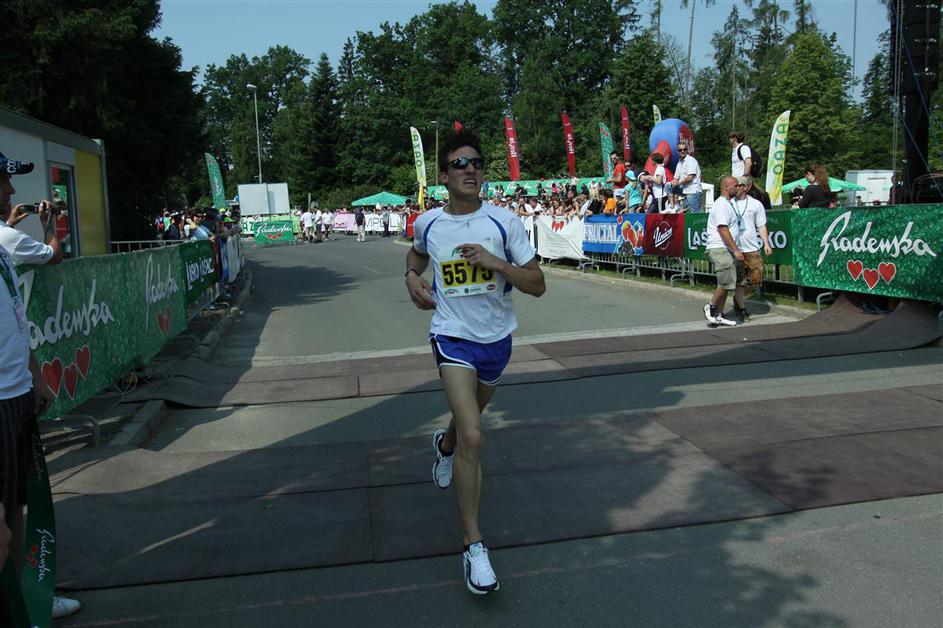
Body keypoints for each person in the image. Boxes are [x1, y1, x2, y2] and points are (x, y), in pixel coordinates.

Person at [404, 130, 545, 595]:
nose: (470, 170)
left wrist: (496, 264)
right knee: (475, 435)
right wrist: (410, 278)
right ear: (444, 176)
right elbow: (415, 256)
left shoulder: (504, 222)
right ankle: (474, 546)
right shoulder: (429, 223)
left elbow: (537, 284)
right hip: (452, 337)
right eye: (460, 164)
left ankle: (443, 446)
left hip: (496, 340)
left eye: (477, 163)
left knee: (466, 427)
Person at [0, 152, 81, 620]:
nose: (11, 192)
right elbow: (54, 254)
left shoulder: (2, 242)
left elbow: (14, 316)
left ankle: (26, 603)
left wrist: (34, 376)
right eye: (2, 182)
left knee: (15, 510)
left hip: (16, 394)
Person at [731, 176, 773, 322]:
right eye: (735, 185)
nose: (736, 187)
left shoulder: (756, 204)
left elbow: (761, 225)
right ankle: (742, 309)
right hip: (736, 247)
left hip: (752, 247)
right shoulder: (729, 203)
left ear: (746, 187)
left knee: (757, 277)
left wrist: (766, 243)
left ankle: (738, 297)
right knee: (739, 281)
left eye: (738, 185)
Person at [702, 176, 742, 327]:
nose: (738, 188)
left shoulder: (728, 204)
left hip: (725, 248)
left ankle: (719, 314)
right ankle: (710, 305)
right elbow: (722, 228)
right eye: (735, 185)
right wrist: (735, 249)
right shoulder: (721, 205)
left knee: (727, 282)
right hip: (720, 247)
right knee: (726, 282)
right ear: (726, 187)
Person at [673, 141, 702, 212]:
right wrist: (674, 187)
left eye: (684, 149)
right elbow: (676, 178)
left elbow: (690, 178)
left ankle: (674, 207)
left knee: (694, 215)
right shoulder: (679, 163)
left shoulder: (690, 161)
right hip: (685, 191)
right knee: (668, 186)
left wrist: (678, 183)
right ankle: (672, 205)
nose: (682, 151)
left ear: (687, 150)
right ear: (677, 151)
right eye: (680, 150)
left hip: (693, 191)